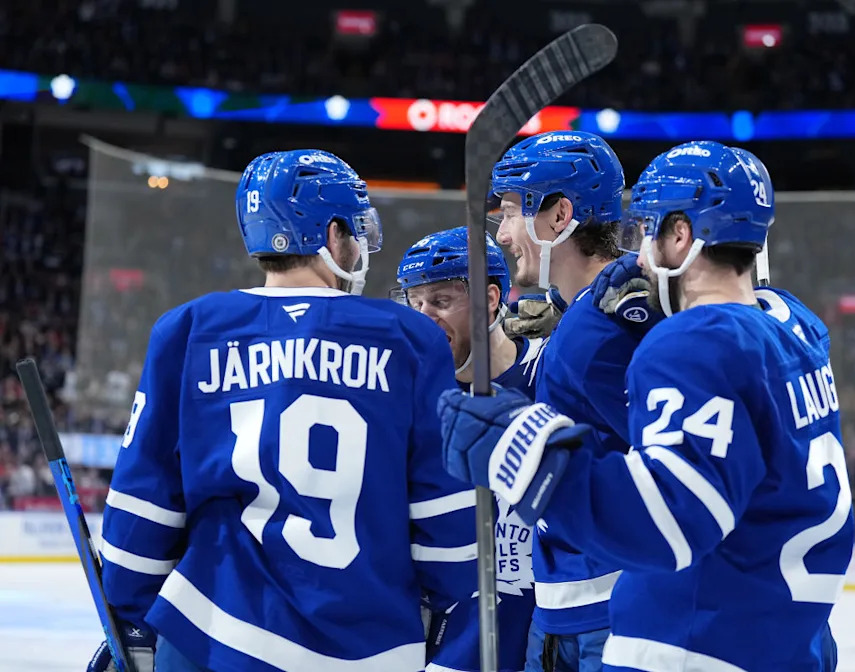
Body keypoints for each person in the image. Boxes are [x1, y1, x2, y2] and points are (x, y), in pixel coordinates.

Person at [437, 140, 855, 671]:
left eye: (649, 230)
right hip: (786, 630)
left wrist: (526, 459)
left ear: (680, 234)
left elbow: (672, 518)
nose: (637, 254)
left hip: (694, 639)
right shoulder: (792, 324)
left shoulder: (689, 342)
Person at [89, 149, 478, 672]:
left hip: (213, 634)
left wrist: (133, 614)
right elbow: (447, 527)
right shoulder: (410, 338)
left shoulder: (187, 330)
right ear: (332, 232)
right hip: (371, 648)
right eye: (355, 228)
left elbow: (141, 513)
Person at [490, 130, 661, 672]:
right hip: (572, 607)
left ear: (559, 216)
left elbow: (661, 470)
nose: (503, 232)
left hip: (600, 616)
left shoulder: (594, 331)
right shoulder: (589, 314)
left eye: (513, 211)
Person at [396, 225, 546, 672]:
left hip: (548, 628)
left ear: (492, 300)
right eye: (414, 301)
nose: (424, 317)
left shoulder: (550, 367)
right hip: (452, 640)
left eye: (441, 301)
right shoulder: (404, 393)